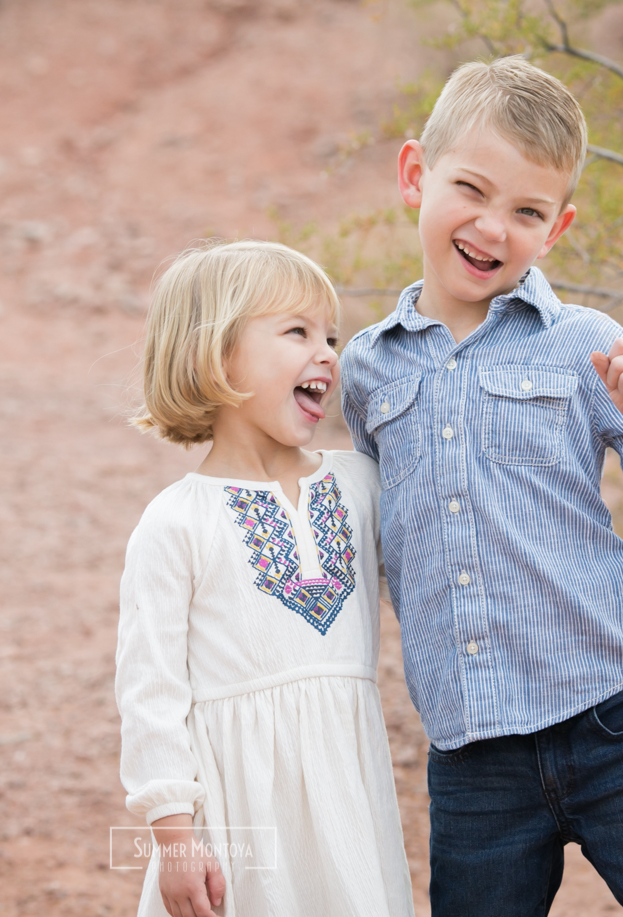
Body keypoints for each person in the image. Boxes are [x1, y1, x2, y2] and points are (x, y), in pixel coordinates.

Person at [340, 56, 623, 916]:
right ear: (417, 176)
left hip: (620, 720)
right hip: (474, 751)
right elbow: (355, 520)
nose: (494, 227)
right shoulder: (368, 369)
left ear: (555, 230)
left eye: (526, 212)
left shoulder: (583, 344)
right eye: (473, 191)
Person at [116, 241, 414, 917]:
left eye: (330, 335)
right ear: (217, 356)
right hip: (236, 822)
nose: (328, 353)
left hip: (348, 802)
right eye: (297, 332)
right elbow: (149, 692)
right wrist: (173, 836)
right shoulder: (175, 523)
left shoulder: (359, 486)